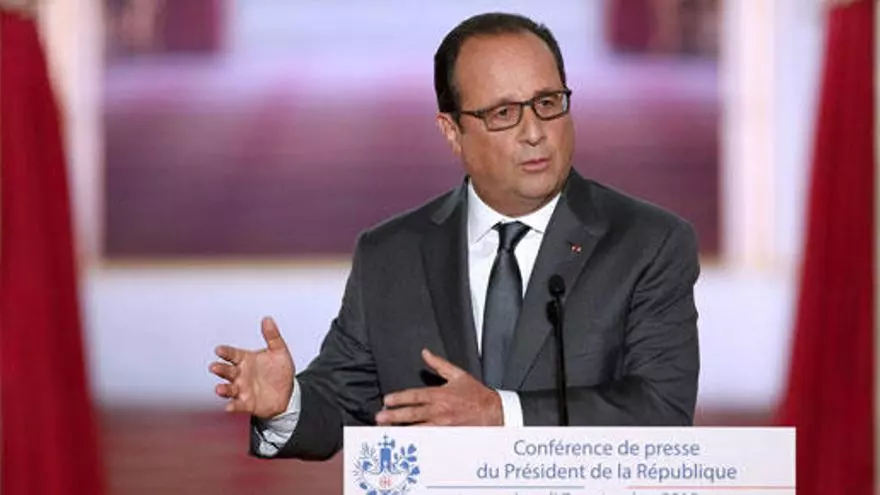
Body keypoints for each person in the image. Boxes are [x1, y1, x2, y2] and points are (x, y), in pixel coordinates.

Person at [209, 12, 700, 461]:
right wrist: (286, 403)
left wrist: (501, 414)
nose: (534, 132)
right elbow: (341, 401)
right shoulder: (391, 254)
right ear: (451, 131)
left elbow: (661, 409)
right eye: (504, 113)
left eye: (547, 103)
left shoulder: (648, 243)